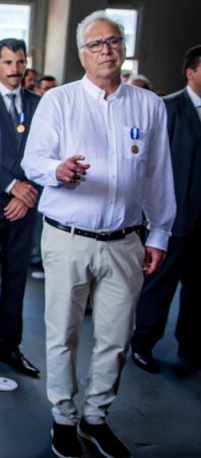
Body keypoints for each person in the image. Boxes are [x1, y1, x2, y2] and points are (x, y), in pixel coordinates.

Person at [22, 11, 175, 458]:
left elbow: (158, 176)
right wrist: (58, 171)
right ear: (81, 54)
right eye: (96, 44)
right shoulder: (60, 102)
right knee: (62, 333)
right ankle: (63, 418)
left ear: (123, 48)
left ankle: (96, 416)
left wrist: (160, 233)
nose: (106, 49)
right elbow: (34, 162)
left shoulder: (148, 106)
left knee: (116, 337)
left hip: (125, 241)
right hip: (67, 237)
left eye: (114, 41)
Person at [131, 45, 201, 372]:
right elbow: (153, 166)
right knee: (160, 286)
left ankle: (191, 343)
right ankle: (143, 342)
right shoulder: (169, 108)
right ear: (191, 72)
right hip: (175, 218)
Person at [0, 38, 41, 378]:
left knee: (16, 283)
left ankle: (10, 348)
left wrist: (27, 193)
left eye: (20, 62)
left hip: (25, 209)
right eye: (8, 63)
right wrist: (12, 186)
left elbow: (47, 150)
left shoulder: (39, 103)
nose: (16, 69)